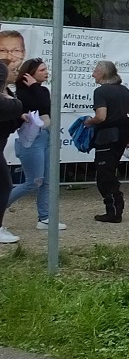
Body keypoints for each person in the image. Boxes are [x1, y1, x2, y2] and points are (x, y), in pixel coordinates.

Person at [8, 58, 66, 230]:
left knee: (47, 180)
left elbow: (47, 107)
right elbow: (36, 106)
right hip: (31, 139)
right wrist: (33, 87)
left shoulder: (42, 90)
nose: (46, 72)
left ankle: (45, 218)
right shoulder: (20, 92)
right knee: (34, 180)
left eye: (46, 69)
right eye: (42, 70)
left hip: (46, 135)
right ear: (30, 74)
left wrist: (36, 87)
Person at [83, 60, 129, 223]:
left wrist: (88, 122)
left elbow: (101, 116)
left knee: (104, 174)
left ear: (103, 73)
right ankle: (115, 208)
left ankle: (114, 210)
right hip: (123, 133)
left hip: (107, 136)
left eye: (95, 71)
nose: (93, 74)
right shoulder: (124, 90)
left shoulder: (101, 91)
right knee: (110, 170)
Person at [0, 61, 26, 243]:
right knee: (4, 185)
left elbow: (14, 114)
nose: (16, 73)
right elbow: (14, 108)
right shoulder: (6, 98)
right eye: (13, 70)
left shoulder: (8, 94)